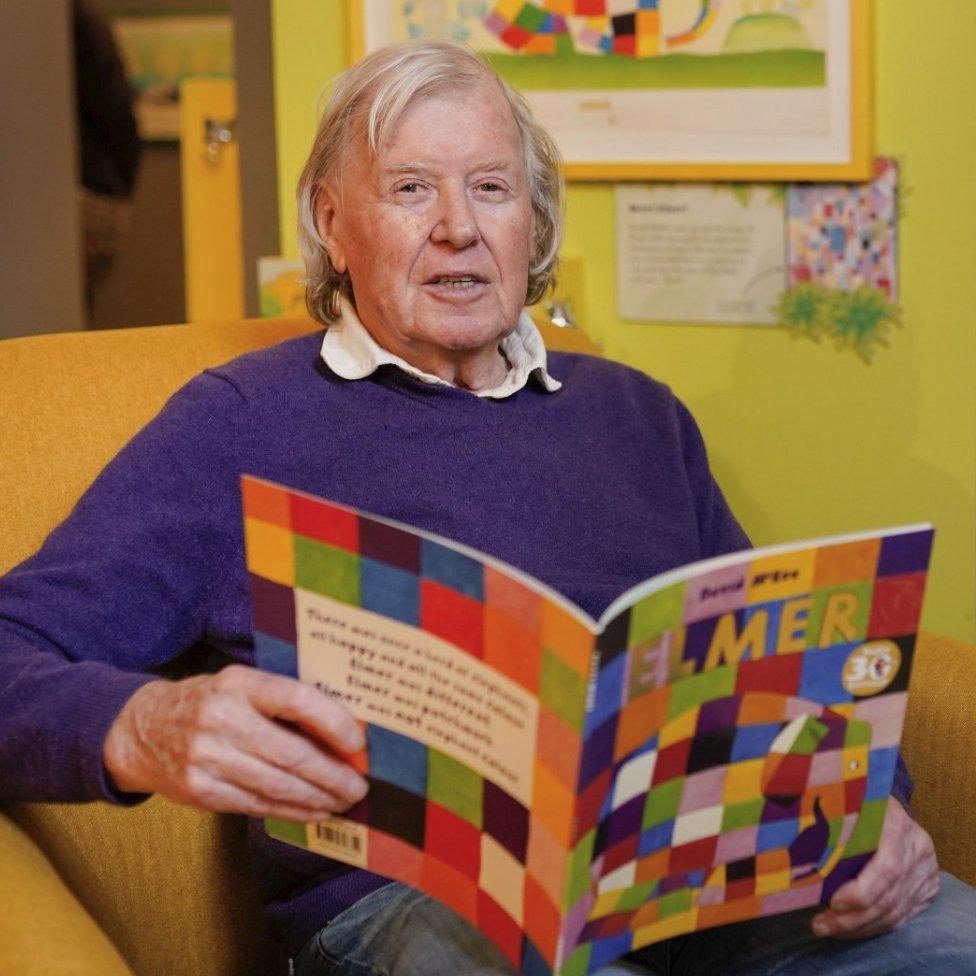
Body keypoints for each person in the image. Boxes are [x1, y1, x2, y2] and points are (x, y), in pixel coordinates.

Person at [0, 41, 973, 976]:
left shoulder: (633, 414)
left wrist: (876, 806)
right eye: (411, 187)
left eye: (492, 188)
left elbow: (781, 672)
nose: (459, 225)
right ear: (333, 223)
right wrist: (137, 722)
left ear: (532, 224)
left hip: (710, 879)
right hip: (410, 907)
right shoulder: (238, 424)